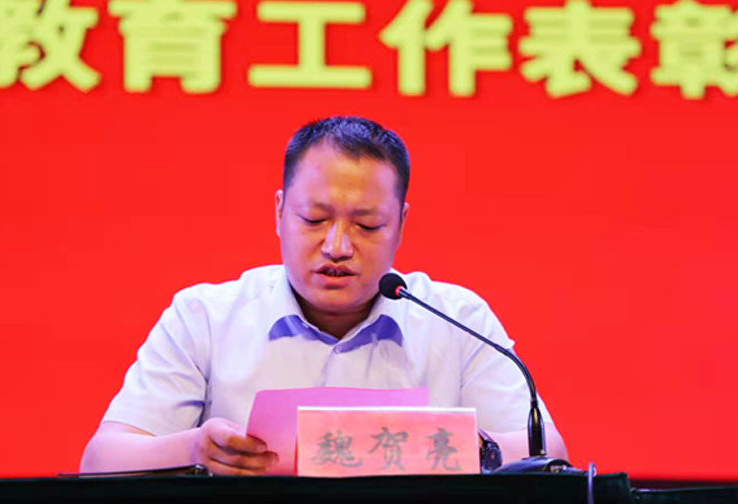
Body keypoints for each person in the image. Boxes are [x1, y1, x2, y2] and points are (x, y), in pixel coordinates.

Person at [80, 116, 567, 475]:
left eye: (367, 225)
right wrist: (192, 450)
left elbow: (549, 454)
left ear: (400, 224)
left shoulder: (457, 319)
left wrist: (454, 444)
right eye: (314, 220)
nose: (337, 246)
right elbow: (101, 461)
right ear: (279, 212)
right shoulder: (204, 318)